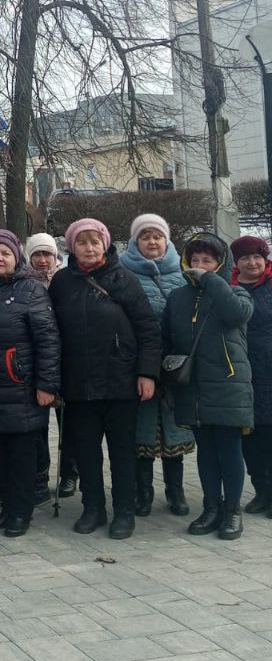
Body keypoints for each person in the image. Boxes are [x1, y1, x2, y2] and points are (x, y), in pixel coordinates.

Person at [49, 218, 160, 540]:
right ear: (71, 247)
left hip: (121, 381)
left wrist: (147, 373)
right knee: (86, 451)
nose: (88, 248)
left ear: (105, 244)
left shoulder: (124, 279)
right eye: (81, 242)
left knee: (122, 451)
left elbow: (148, 330)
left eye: (94, 241)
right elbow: (51, 333)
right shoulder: (61, 283)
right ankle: (93, 507)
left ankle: (124, 511)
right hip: (79, 383)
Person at [0, 231, 60, 537]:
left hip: (19, 386)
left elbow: (48, 340)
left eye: (6, 253)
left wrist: (47, 385)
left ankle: (21, 512)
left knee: (20, 455)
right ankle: (7, 505)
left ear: (16, 257)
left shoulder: (30, 289)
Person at [162, 232, 253, 540]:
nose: (199, 266)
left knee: (229, 450)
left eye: (208, 261)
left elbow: (236, 315)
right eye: (195, 260)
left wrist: (212, 281)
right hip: (193, 386)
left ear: (220, 264)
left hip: (228, 385)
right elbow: (168, 339)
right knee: (205, 452)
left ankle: (232, 512)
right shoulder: (177, 297)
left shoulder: (236, 293)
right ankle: (211, 507)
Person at [119, 214, 195, 517]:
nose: (152, 241)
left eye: (157, 236)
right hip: (140, 369)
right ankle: (143, 492)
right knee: (143, 434)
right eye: (145, 236)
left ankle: (175, 491)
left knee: (174, 432)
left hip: (177, 369)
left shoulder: (183, 272)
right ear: (136, 241)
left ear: (167, 240)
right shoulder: (124, 274)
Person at [25, 232, 75, 499]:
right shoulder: (22, 282)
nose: (43, 260)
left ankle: (69, 472)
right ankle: (39, 475)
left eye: (47, 254)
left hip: (67, 361)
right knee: (38, 426)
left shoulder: (66, 280)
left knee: (69, 423)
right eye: (37, 255)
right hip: (36, 364)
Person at [231, 235, 272, 517]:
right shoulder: (229, 289)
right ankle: (262, 490)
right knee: (250, 436)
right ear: (237, 262)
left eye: (257, 256)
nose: (252, 262)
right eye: (245, 257)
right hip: (243, 373)